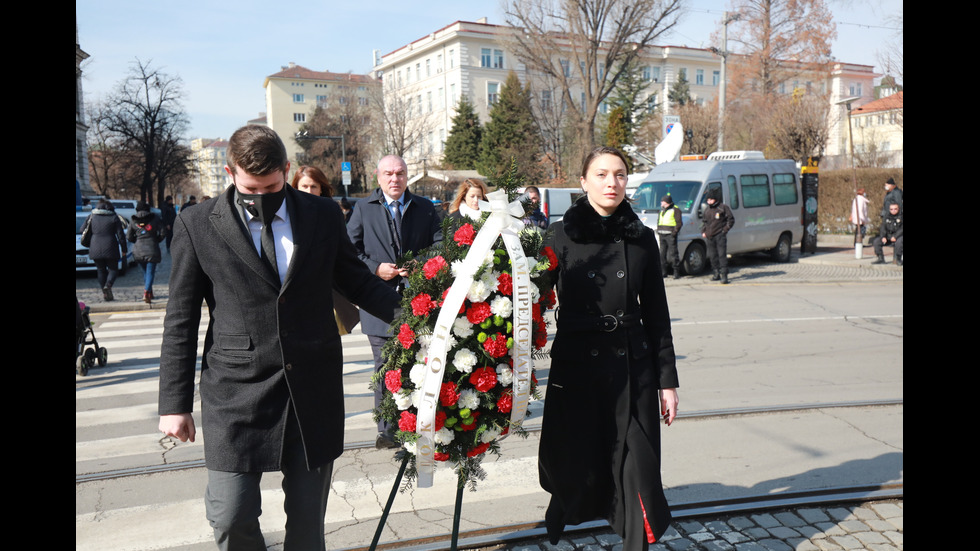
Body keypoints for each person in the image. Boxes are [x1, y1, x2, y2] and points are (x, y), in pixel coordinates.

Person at [158, 125, 401, 551]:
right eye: (251, 188)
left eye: (271, 187)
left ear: (286, 171)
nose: (261, 198)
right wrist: (173, 405)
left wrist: (422, 323)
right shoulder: (197, 224)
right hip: (235, 394)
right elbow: (180, 319)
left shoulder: (322, 215)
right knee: (230, 517)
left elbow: (358, 284)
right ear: (230, 174)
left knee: (307, 529)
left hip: (312, 389)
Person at [538, 146, 679, 551]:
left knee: (639, 468)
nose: (611, 182)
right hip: (577, 369)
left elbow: (657, 313)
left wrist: (667, 381)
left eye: (619, 174)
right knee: (574, 461)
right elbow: (527, 297)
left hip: (631, 370)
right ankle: (562, 511)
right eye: (601, 175)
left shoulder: (641, 237)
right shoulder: (559, 236)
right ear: (583, 182)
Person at [346, 154, 442, 449]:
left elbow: (440, 244)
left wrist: (420, 263)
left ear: (407, 176)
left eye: (400, 173)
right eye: (388, 173)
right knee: (384, 366)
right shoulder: (362, 208)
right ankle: (386, 430)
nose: (394, 179)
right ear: (378, 177)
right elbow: (349, 251)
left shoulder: (425, 207)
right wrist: (375, 267)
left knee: (416, 365)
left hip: (418, 302)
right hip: (378, 301)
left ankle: (414, 424)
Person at [291, 164, 360, 336]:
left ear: (321, 188)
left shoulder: (331, 214)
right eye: (304, 186)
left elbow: (344, 255)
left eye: (314, 186)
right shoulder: (285, 216)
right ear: (295, 188)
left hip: (325, 295)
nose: (309, 191)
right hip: (295, 297)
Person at [81, 199, 127, 301]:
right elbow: (121, 235)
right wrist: (124, 249)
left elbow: (82, 229)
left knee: (101, 270)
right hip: (110, 246)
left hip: (95, 246)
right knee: (113, 269)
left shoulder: (92, 216)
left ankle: (105, 293)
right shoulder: (114, 217)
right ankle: (109, 285)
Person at [126, 201, 167, 304]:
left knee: (145, 272)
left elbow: (129, 236)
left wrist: (137, 240)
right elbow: (163, 232)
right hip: (152, 248)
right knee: (150, 272)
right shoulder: (155, 218)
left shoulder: (133, 220)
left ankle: (150, 292)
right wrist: (156, 240)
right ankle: (146, 292)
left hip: (138, 250)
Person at [701, 188, 735, 284]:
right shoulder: (707, 209)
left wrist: (724, 230)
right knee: (713, 256)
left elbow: (731, 220)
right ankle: (716, 273)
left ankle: (724, 275)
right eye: (708, 200)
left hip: (720, 235)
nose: (709, 202)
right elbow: (704, 222)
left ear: (715, 199)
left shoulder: (722, 208)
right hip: (710, 236)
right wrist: (703, 231)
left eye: (711, 199)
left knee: (722, 255)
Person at [656, 194, 683, 279]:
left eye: (662, 201)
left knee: (673, 253)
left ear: (666, 202)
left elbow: (679, 223)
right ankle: (663, 272)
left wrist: (674, 232)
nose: (661, 203)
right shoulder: (661, 210)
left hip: (670, 234)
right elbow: (659, 221)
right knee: (662, 254)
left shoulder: (675, 210)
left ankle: (676, 272)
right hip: (661, 234)